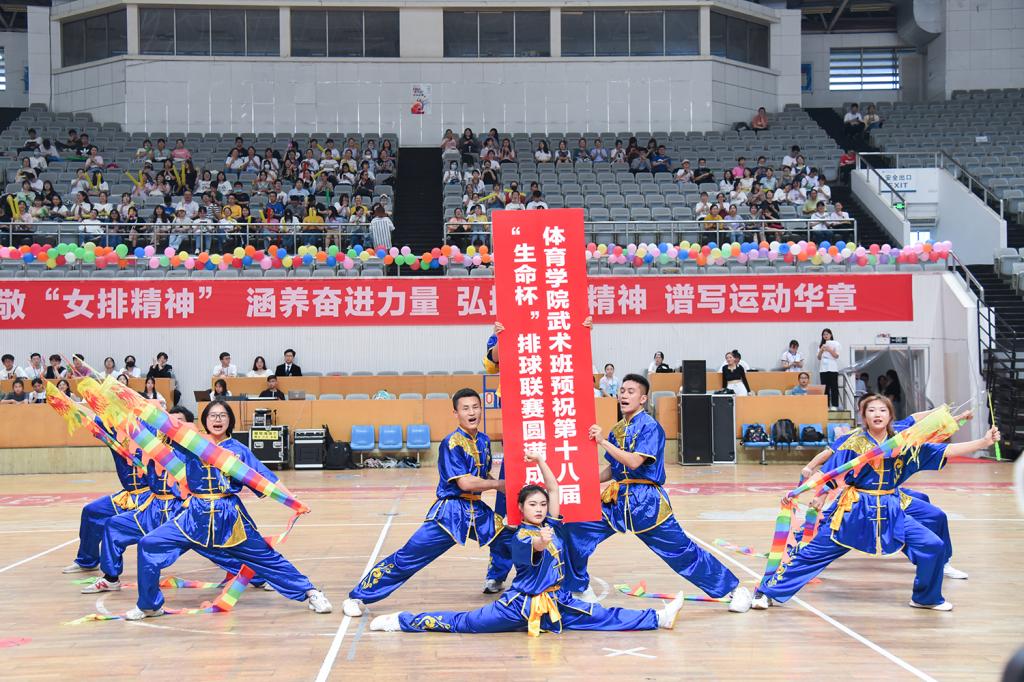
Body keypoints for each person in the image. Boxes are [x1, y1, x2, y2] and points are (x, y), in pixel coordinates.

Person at [369, 449, 684, 635]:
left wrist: (541, 461)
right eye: (533, 505)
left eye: (542, 505)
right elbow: (532, 550)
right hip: (519, 607)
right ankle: (402, 621)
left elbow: (554, 489)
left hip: (557, 603)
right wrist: (541, 543)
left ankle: (659, 617)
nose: (540, 509)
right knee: (464, 623)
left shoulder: (551, 524)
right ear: (521, 508)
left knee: (603, 616)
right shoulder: (521, 535)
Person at [753, 395, 998, 611]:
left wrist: (982, 443)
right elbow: (830, 473)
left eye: (882, 410)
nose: (877, 414)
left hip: (891, 509)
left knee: (933, 545)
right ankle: (767, 592)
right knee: (812, 555)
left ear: (890, 415)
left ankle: (926, 598)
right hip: (854, 510)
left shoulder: (904, 442)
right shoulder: (853, 443)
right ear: (864, 416)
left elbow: (945, 450)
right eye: (871, 410)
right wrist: (801, 492)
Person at [564, 374, 751, 612]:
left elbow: (634, 462)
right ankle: (579, 588)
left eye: (631, 391)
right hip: (616, 499)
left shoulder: (650, 426)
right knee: (575, 528)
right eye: (622, 390)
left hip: (647, 503)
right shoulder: (617, 430)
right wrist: (582, 481)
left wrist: (602, 442)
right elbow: (614, 468)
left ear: (643, 399)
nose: (624, 395)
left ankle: (734, 589)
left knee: (682, 552)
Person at [128, 401, 331, 619]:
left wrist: (291, 499)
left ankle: (311, 593)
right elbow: (160, 431)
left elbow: (265, 477)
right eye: (213, 415)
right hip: (194, 516)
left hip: (230, 517)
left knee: (266, 557)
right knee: (149, 543)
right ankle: (149, 605)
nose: (217, 420)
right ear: (205, 420)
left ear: (230, 421)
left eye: (222, 415)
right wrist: (136, 408)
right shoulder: (192, 443)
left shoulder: (239, 450)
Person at [342, 388, 505, 617]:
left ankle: (502, 581)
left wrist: (501, 483)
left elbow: (482, 475)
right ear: (456, 413)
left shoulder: (485, 441)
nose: (472, 412)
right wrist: (499, 485)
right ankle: (358, 596)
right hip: (451, 512)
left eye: (475, 407)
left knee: (510, 540)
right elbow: (465, 483)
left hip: (477, 511)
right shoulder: (451, 443)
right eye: (465, 408)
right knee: (409, 557)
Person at [83, 404, 256, 595]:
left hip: (181, 510)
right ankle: (110, 578)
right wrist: (108, 403)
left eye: (179, 422)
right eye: (169, 421)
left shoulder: (195, 449)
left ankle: (257, 576)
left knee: (212, 548)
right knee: (115, 526)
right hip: (153, 507)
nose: (173, 425)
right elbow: (117, 424)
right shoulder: (152, 445)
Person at [62, 410, 155, 574]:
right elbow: (93, 420)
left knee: (117, 525)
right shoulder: (114, 435)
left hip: (153, 497)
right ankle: (87, 560)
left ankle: (114, 573)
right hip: (128, 495)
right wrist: (68, 405)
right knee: (91, 511)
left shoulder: (152, 434)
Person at [817, 328, 841, 409]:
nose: (825, 336)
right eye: (824, 334)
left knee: (834, 387)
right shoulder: (821, 345)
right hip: (823, 369)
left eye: (827, 334)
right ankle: (826, 405)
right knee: (825, 388)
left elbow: (836, 356)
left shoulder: (836, 343)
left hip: (832, 368)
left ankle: (834, 405)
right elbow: (819, 357)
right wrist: (821, 350)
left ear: (831, 335)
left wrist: (829, 350)